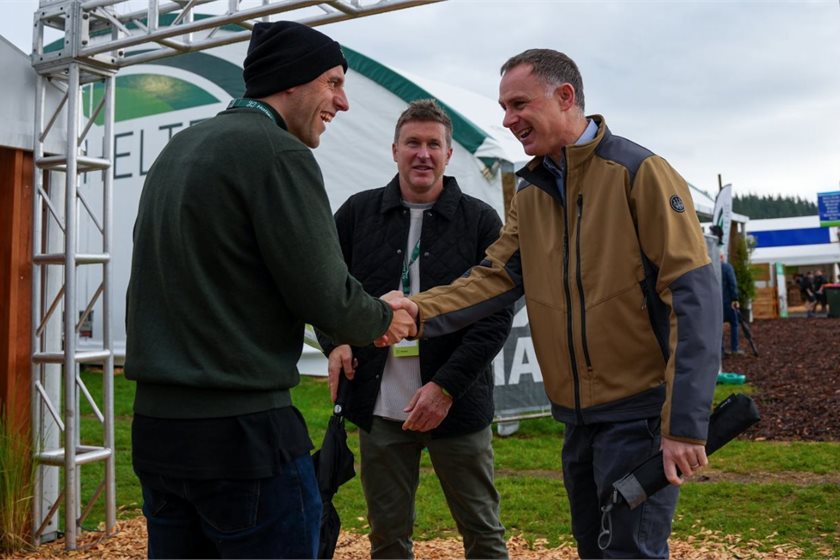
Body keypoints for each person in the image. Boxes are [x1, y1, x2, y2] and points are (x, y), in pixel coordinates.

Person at [382, 49, 721, 558]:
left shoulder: (639, 173)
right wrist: (416, 312)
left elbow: (694, 298)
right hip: (577, 420)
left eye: (519, 103)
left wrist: (686, 425)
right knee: (593, 547)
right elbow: (494, 277)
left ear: (565, 98)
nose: (506, 119)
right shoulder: (532, 190)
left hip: (639, 416)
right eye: (503, 106)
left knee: (629, 552)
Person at [124, 21, 414, 559]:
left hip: (158, 432)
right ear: (290, 81)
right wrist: (381, 318)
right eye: (332, 82)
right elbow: (324, 294)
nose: (343, 102)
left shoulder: (178, 151)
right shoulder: (279, 154)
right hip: (241, 439)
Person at [316, 100, 513, 559]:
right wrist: (337, 341)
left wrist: (445, 387)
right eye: (413, 143)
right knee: (387, 536)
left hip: (456, 405)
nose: (422, 154)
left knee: (483, 533)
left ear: (448, 154)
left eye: (433, 144)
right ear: (394, 150)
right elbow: (326, 290)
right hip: (381, 407)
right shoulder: (358, 214)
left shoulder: (480, 220)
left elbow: (496, 314)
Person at [720, 253, 742, 356]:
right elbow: (733, 284)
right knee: (734, 324)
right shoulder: (727, 268)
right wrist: (735, 299)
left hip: (716, 304)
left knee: (718, 327)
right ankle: (734, 348)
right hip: (728, 302)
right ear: (721, 257)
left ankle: (721, 350)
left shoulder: (711, 269)